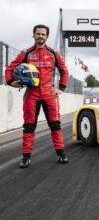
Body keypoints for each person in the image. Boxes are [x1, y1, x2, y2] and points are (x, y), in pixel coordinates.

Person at [5, 24, 69, 168]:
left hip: (49, 94)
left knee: (55, 125)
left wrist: (61, 88)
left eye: (43, 34)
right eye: (38, 34)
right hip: (31, 94)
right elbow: (10, 68)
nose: (40, 36)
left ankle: (61, 153)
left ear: (47, 37)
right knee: (29, 126)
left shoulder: (54, 53)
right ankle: (26, 157)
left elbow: (64, 71)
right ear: (33, 35)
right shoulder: (26, 53)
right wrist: (10, 82)